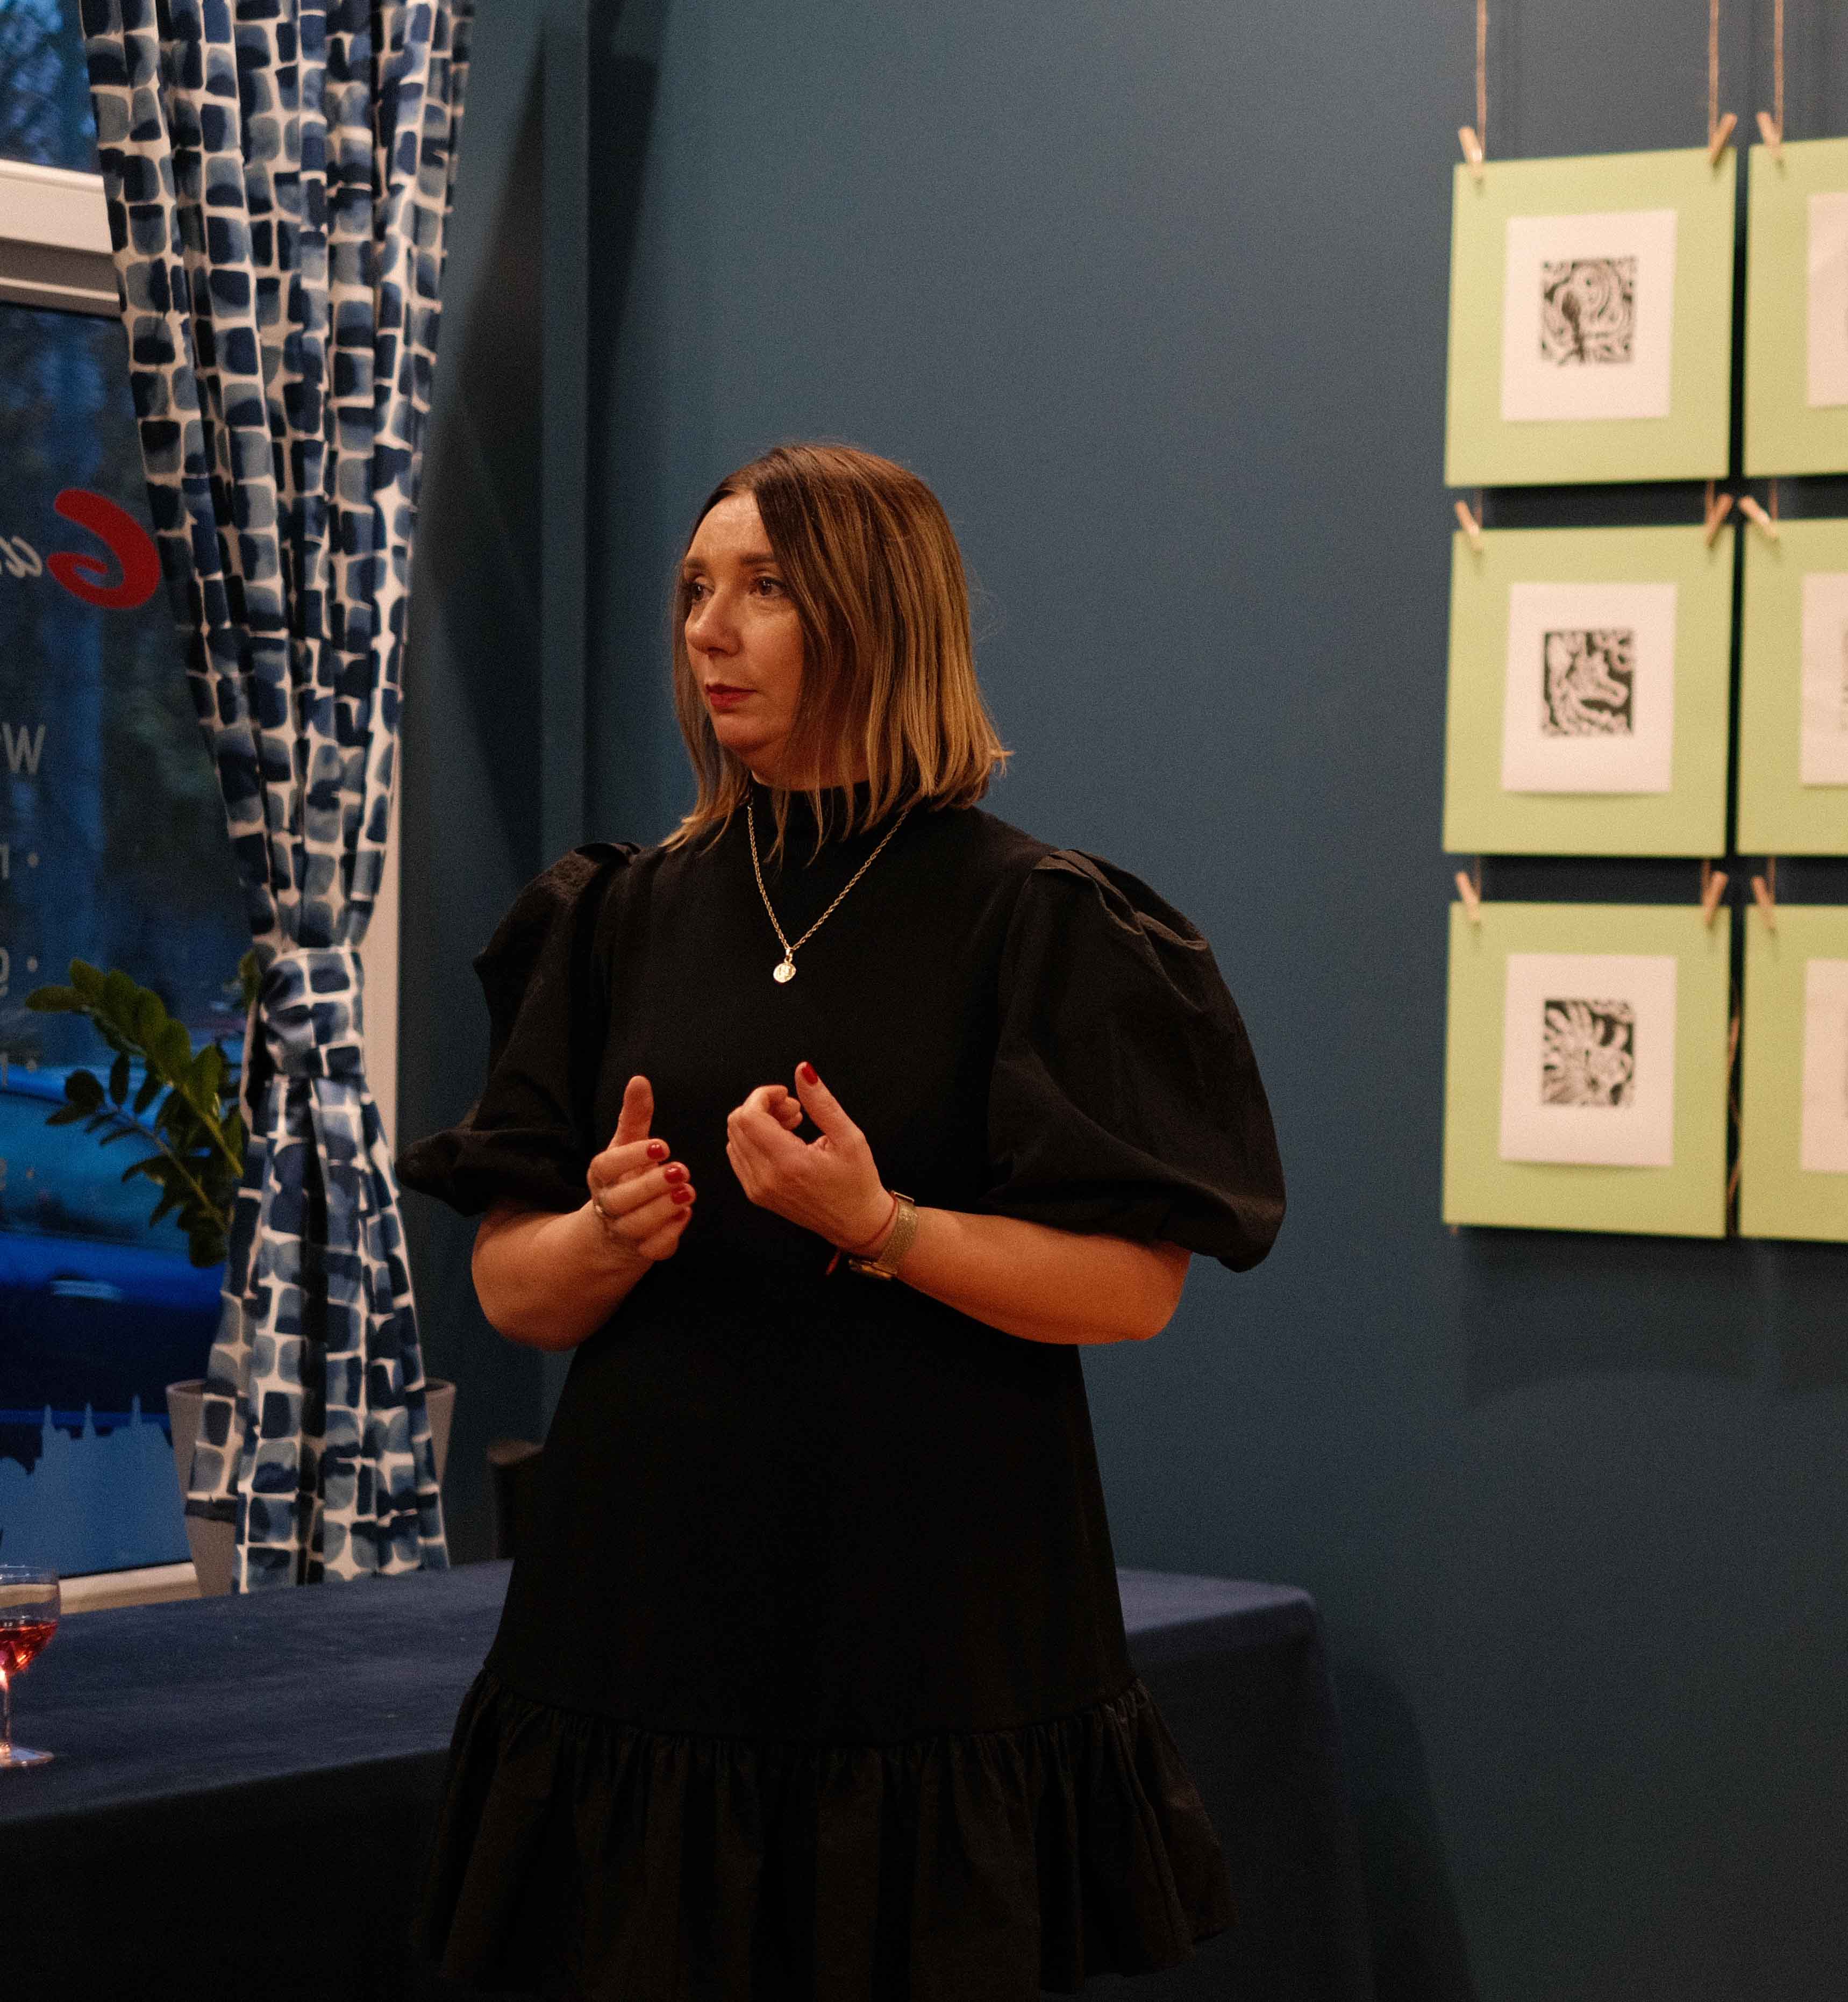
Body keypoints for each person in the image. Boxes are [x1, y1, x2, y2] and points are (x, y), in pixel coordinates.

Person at [395, 441, 1284, 2001]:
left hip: (925, 1617)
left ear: (877, 616)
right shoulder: (614, 914)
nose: (707, 628)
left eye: (764, 588)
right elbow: (515, 1290)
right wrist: (605, 1236)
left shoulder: (1038, 916)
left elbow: (1133, 1291)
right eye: (695, 589)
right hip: (643, 1612)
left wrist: (883, 1226)